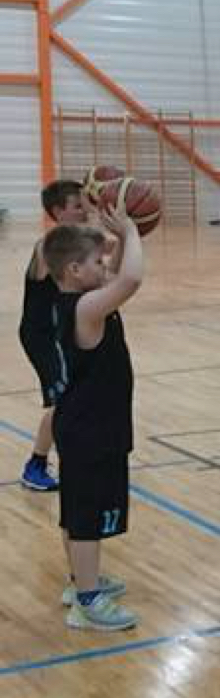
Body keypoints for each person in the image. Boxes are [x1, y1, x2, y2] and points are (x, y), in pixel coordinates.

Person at [44, 209, 143, 631]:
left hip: (82, 423)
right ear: (73, 269)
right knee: (86, 519)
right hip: (92, 428)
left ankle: (79, 580)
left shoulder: (75, 298)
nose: (106, 268)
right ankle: (87, 602)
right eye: (97, 263)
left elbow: (118, 270)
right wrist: (135, 230)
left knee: (75, 512)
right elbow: (131, 280)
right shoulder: (86, 307)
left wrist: (119, 238)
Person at [18, 180, 91, 491]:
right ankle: (36, 464)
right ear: (59, 211)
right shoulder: (48, 245)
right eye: (78, 206)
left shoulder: (73, 242)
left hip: (59, 333)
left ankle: (69, 455)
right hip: (42, 335)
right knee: (62, 400)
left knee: (74, 396)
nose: (84, 211)